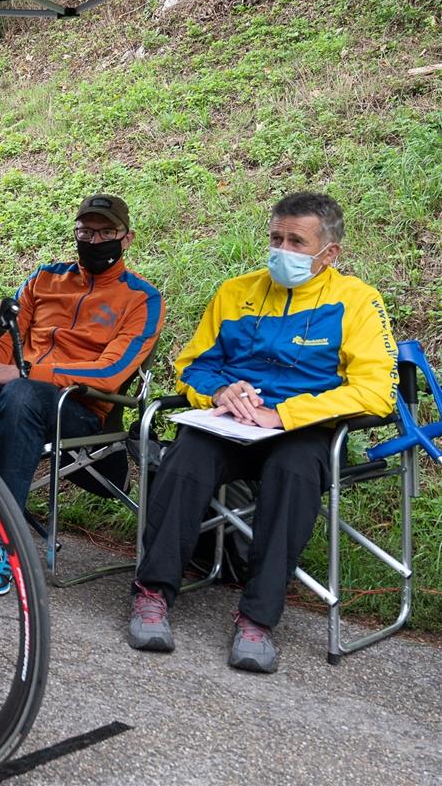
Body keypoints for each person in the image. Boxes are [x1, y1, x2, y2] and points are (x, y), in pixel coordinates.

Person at [128, 192, 399, 673]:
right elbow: (191, 366)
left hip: (303, 430)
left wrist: (286, 415)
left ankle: (257, 619)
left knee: (294, 471)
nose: (282, 250)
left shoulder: (357, 301)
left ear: (329, 253)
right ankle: (152, 592)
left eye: (297, 241)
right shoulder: (236, 291)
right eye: (276, 238)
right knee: (186, 456)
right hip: (231, 424)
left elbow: (377, 392)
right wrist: (219, 392)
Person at [0, 194, 164, 596]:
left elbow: (112, 373)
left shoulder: (142, 298)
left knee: (24, 394)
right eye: (86, 231)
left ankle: (0, 545)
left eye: (105, 232)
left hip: (78, 407)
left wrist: (24, 372)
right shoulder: (44, 279)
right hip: (14, 395)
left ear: (126, 238)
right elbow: (5, 338)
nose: (94, 241)